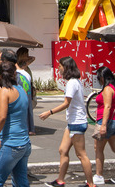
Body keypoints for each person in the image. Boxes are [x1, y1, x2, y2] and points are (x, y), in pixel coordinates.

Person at [39, 56, 94, 187]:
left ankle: (91, 184)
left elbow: (66, 104)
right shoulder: (74, 82)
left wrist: (49, 112)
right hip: (72, 123)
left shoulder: (72, 83)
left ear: (66, 67)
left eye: (60, 66)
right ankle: (60, 180)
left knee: (81, 154)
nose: (58, 68)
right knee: (63, 150)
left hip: (77, 122)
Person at [0, 62, 31, 187]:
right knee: (20, 180)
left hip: (11, 143)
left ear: (0, 75)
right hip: (24, 143)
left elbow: (2, 118)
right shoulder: (22, 90)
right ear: (14, 73)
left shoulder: (5, 92)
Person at [15, 47, 36, 134]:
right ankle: (27, 127)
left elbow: (33, 58)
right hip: (23, 84)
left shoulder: (25, 64)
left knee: (28, 107)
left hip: (28, 85)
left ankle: (29, 127)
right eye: (25, 54)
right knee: (24, 106)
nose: (27, 56)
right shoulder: (19, 65)